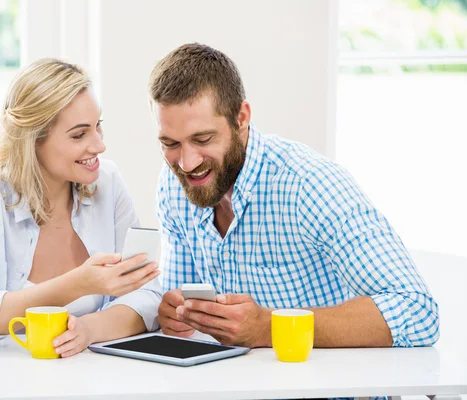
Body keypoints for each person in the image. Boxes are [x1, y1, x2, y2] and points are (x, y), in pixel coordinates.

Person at [151, 43, 439, 348]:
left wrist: (271, 328)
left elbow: (417, 312)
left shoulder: (310, 186)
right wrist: (175, 315)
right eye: (170, 144)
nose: (187, 163)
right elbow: (180, 305)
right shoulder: (174, 187)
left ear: (242, 118)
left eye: (203, 139)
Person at [0, 59, 162, 356]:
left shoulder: (107, 184)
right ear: (32, 140)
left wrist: (89, 330)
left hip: (94, 379)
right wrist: (76, 284)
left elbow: (147, 293)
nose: (99, 146)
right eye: (79, 135)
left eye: (98, 127)